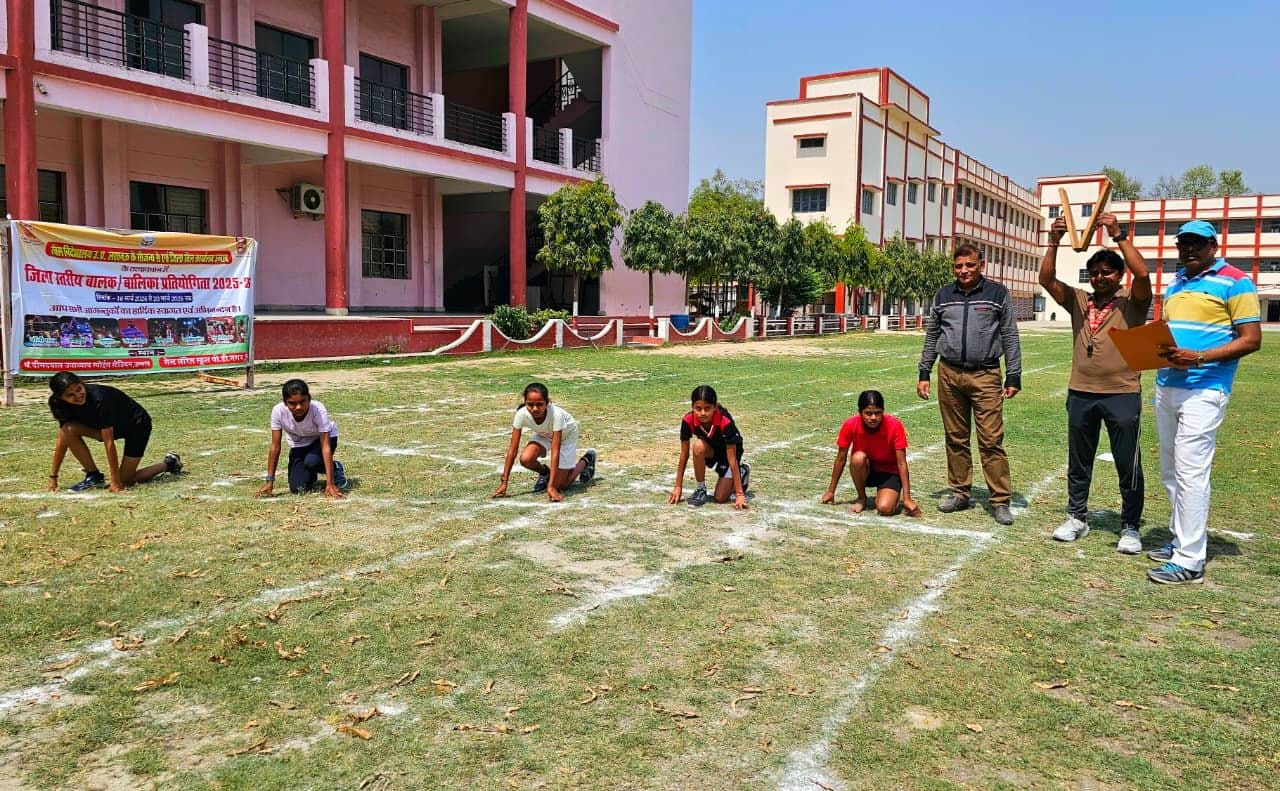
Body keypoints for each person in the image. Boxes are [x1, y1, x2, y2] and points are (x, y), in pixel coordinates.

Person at [1147, 220, 1261, 584]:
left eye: (1197, 243)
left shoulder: (1235, 281)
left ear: (1214, 245)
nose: (1189, 250)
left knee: (1191, 472)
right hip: (1167, 383)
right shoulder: (1176, 282)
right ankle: (1181, 539)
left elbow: (1251, 339)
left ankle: (1190, 560)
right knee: (1170, 471)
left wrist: (1199, 357)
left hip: (1205, 388)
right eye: (1183, 244)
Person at [1039, 212, 1152, 553]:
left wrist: (1118, 235)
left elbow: (1144, 274)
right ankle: (1077, 517)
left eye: (1108, 272)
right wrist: (1054, 241)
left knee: (1126, 462)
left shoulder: (1133, 303)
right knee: (1079, 460)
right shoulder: (1079, 301)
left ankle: (1130, 526)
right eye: (1096, 272)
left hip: (1122, 393)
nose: (1101, 277)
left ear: (1119, 275)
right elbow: (1047, 279)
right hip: (1081, 393)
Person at [917, 243, 1022, 525]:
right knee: (955, 437)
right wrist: (924, 371)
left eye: (970, 265)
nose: (964, 271)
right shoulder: (943, 295)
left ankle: (1000, 500)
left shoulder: (997, 294)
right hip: (949, 375)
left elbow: (1009, 335)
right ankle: (960, 492)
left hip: (986, 375)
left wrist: (1014, 374)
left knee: (990, 440)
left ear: (981, 265)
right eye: (959, 266)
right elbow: (932, 335)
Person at [45, 371, 181, 493]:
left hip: (137, 425)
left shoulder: (100, 398)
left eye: (79, 389)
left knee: (126, 480)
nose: (78, 396)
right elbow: (63, 439)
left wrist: (116, 481)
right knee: (68, 429)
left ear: (82, 383)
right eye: (70, 395)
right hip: (107, 427)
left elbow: (108, 443)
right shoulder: (58, 405)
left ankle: (170, 463)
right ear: (60, 397)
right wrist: (53, 477)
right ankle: (93, 475)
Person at [820, 390, 921, 516]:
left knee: (885, 509)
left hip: (889, 473)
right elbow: (841, 458)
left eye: (877, 413)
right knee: (857, 458)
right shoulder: (850, 424)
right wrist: (831, 491)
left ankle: (888, 495)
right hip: (866, 469)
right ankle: (862, 498)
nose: (873, 418)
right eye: (868, 413)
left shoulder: (894, 425)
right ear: (860, 412)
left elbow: (901, 463)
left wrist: (907, 498)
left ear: (883, 411)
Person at [492, 382, 596, 502]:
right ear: (525, 402)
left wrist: (551, 487)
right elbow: (513, 449)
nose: (535, 409)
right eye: (530, 404)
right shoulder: (521, 414)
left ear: (547, 403)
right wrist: (504, 482)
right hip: (545, 434)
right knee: (526, 459)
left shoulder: (556, 415)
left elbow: (555, 451)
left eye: (540, 404)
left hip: (566, 436)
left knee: (562, 485)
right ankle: (545, 473)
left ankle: (587, 459)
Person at [258, 379, 347, 498]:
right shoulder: (278, 412)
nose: (298, 407)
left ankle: (335, 468)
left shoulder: (318, 409)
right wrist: (269, 481)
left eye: (302, 401)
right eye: (292, 403)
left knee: (312, 461)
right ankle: (311, 473)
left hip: (322, 440)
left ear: (309, 398)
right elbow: (275, 447)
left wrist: (330, 484)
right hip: (299, 444)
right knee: (298, 488)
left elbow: (325, 446)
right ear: (285, 402)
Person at [667, 385, 749, 509]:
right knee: (698, 446)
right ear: (692, 407)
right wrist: (678, 486)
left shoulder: (724, 421)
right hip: (711, 450)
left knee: (720, 498)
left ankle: (743, 472)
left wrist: (739, 493)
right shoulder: (688, 421)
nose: (703, 413)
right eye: (698, 408)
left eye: (707, 408)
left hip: (729, 453)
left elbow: (732, 460)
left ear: (715, 407)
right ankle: (700, 489)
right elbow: (684, 455)